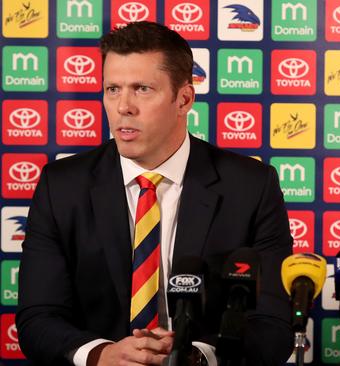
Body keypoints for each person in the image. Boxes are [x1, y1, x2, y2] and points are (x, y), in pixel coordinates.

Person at [17, 21, 294, 365]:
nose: (123, 107)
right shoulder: (62, 186)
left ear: (184, 99)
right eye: (113, 89)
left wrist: (193, 356)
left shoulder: (251, 186)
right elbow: (38, 319)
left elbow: (273, 326)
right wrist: (102, 354)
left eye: (142, 89)